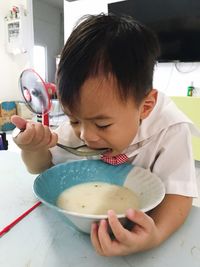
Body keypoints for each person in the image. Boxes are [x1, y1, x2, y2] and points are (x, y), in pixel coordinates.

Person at [11, 14, 198, 256]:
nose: (86, 135)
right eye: (74, 119)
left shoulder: (169, 129)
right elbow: (41, 168)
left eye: (103, 125)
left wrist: (156, 235)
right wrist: (33, 147)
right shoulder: (83, 123)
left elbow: (179, 195)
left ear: (145, 106)